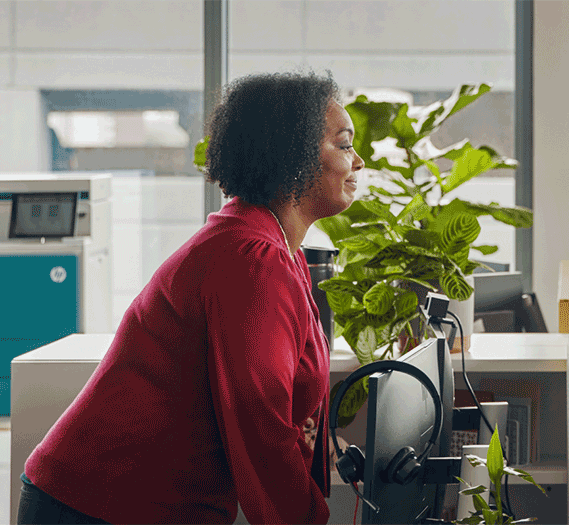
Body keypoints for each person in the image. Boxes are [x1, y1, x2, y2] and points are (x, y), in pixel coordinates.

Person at [19, 71, 364, 524]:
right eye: (343, 144)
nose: (357, 162)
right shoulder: (252, 259)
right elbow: (261, 428)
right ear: (292, 157)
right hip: (100, 508)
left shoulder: (275, 248)